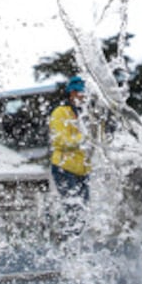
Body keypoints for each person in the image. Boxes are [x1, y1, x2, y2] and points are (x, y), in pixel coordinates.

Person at [49, 75, 91, 236]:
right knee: (73, 209)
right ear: (72, 93)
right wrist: (85, 139)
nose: (85, 97)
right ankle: (67, 244)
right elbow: (59, 141)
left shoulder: (86, 113)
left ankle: (76, 243)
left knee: (83, 210)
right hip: (64, 168)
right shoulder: (60, 113)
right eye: (82, 93)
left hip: (83, 170)